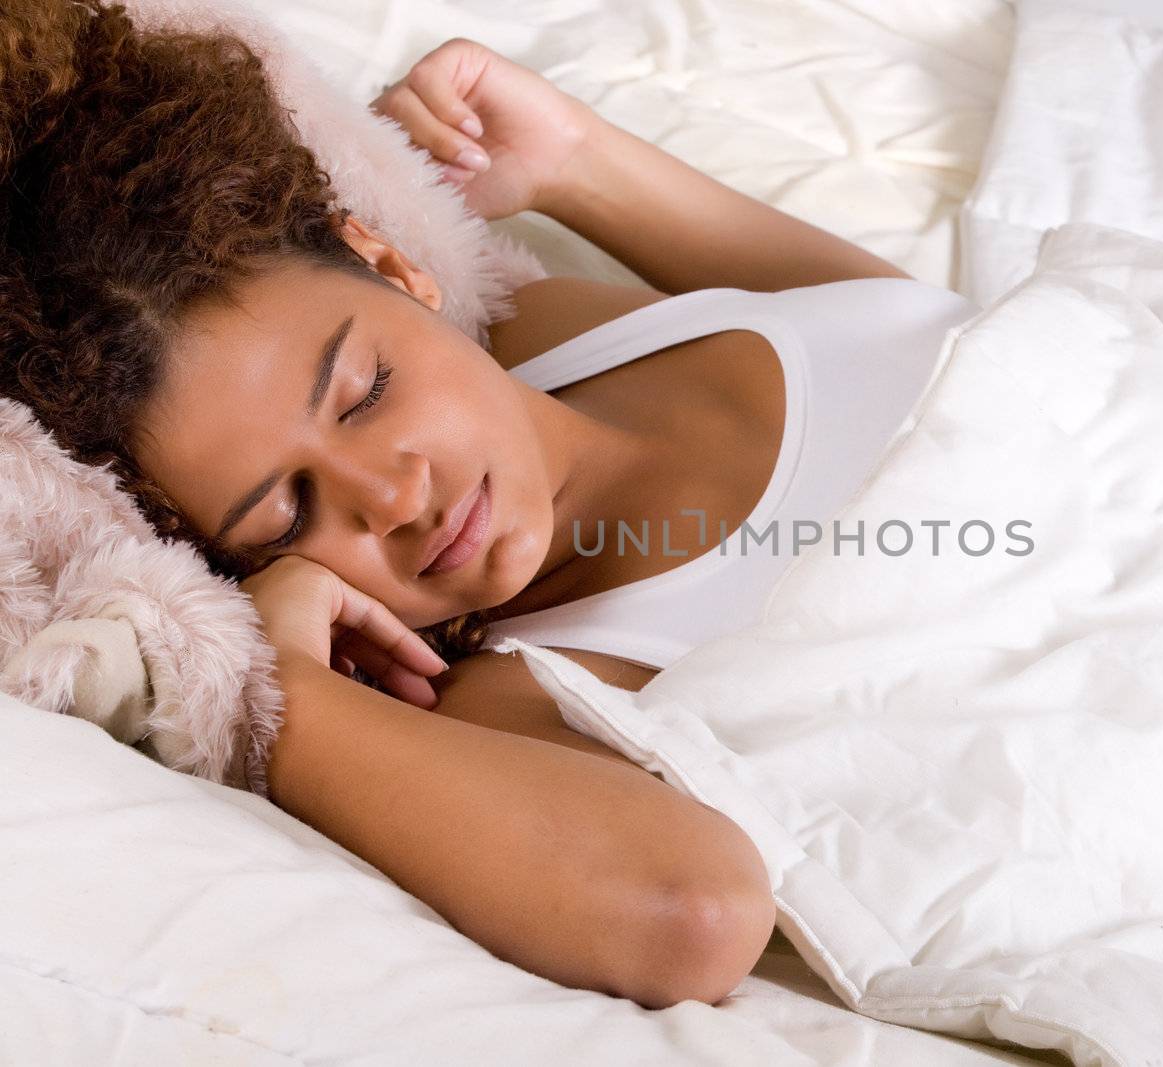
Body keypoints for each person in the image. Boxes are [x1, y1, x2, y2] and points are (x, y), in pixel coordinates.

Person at [0, 2, 978, 1009]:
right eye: (288, 518)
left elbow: (950, 347)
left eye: (364, 392)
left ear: (393, 264)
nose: (393, 497)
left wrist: (578, 163)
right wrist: (281, 687)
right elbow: (696, 916)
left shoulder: (563, 331)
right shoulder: (519, 703)